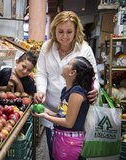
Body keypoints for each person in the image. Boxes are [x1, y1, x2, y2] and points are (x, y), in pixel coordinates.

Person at [33, 11, 100, 160]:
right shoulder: (47, 47)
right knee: (55, 147)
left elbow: (93, 75)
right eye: (60, 31)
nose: (64, 36)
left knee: (71, 149)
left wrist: (95, 89)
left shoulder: (84, 49)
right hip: (52, 108)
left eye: (69, 31)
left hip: (75, 114)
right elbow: (41, 73)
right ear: (54, 30)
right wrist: (41, 91)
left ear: (76, 30)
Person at [33, 56, 95, 160]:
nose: (65, 64)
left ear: (72, 72)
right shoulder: (66, 90)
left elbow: (68, 122)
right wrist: (45, 110)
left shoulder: (77, 92)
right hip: (61, 138)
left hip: (70, 142)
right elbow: (61, 115)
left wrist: (45, 116)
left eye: (68, 64)